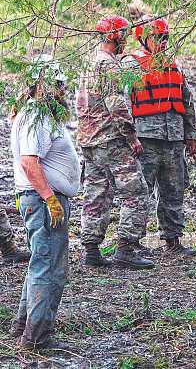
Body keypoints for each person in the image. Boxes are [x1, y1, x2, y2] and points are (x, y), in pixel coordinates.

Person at [10, 55, 80, 349]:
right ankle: (37, 337)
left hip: (40, 199)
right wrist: (50, 199)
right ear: (42, 85)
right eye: (58, 84)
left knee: (41, 263)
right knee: (49, 267)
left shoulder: (41, 114)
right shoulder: (35, 114)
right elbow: (29, 162)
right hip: (42, 200)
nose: (63, 90)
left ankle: (24, 325)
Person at [77, 15, 154, 270]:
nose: (127, 39)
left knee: (96, 194)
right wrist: (131, 137)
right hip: (111, 139)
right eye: (123, 34)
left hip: (89, 140)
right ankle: (126, 248)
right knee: (136, 192)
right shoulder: (109, 65)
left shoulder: (88, 63)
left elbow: (80, 105)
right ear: (114, 37)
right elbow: (116, 103)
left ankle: (91, 249)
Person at [129, 17, 196, 256]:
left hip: (174, 139)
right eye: (156, 38)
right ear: (143, 39)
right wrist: (130, 137)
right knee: (141, 191)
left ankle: (173, 239)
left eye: (165, 38)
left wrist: (192, 134)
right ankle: (130, 242)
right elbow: (123, 105)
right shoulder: (131, 66)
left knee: (174, 189)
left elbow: (187, 102)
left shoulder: (174, 65)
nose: (161, 42)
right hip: (146, 139)